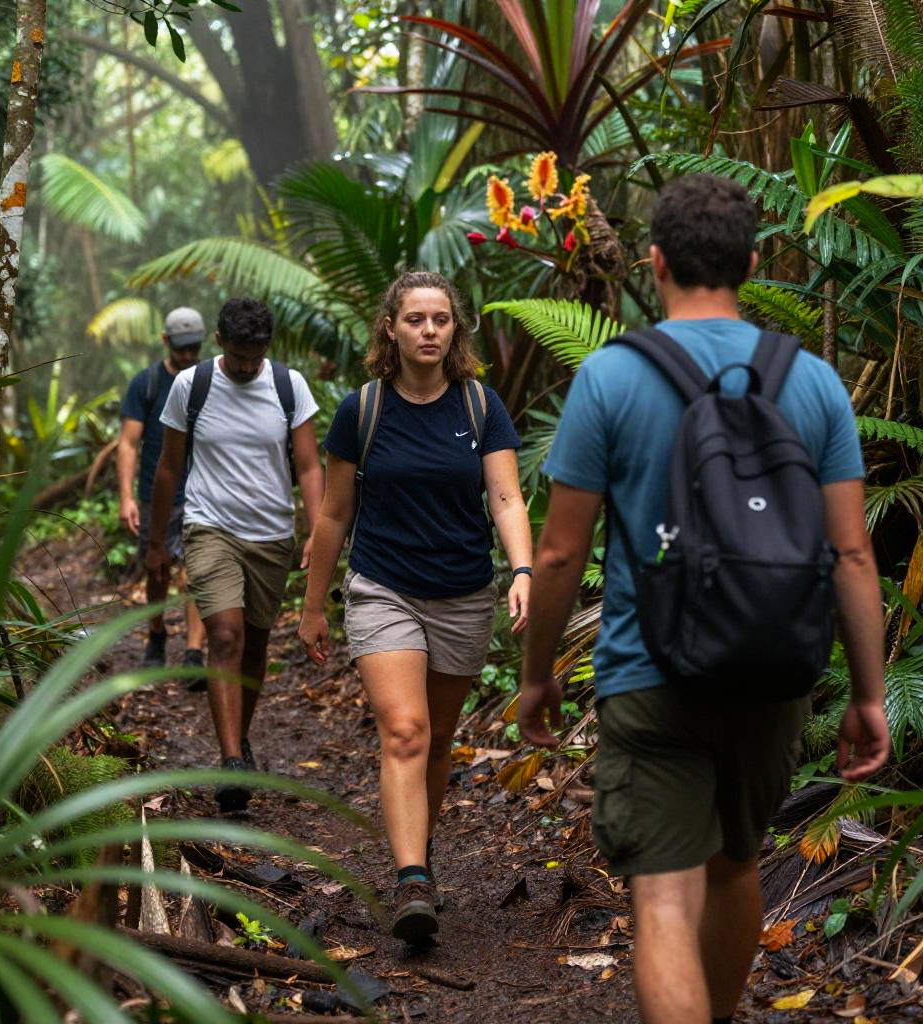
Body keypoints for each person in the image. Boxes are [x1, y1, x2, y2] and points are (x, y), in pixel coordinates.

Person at [517, 174, 890, 1024]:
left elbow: (561, 550)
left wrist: (536, 676)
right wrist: (868, 694)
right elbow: (851, 552)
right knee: (737, 863)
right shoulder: (813, 382)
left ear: (655, 262)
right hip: (771, 670)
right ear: (752, 263)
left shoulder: (612, 377)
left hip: (648, 670)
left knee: (661, 897)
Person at [298, 270, 533, 945]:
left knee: (436, 741)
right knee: (405, 732)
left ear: (454, 329)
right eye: (415, 320)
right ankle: (411, 880)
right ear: (391, 329)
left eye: (440, 320)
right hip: (384, 589)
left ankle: (418, 851)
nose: (429, 331)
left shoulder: (480, 406)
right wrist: (313, 607)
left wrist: (522, 568)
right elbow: (333, 513)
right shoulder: (363, 409)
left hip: (463, 594)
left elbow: (506, 498)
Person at [147, 297, 324, 814]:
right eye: (239, 355)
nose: (247, 366)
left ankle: (239, 740)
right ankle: (229, 762)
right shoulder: (192, 385)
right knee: (225, 635)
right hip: (210, 527)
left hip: (271, 535)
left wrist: (317, 530)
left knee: (253, 646)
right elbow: (169, 466)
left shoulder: (289, 386)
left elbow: (309, 466)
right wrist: (157, 542)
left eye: (256, 355)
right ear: (220, 341)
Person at [118, 306, 207, 678]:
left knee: (197, 572)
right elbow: (128, 444)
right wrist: (126, 497)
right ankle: (156, 634)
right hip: (158, 495)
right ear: (166, 341)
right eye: (181, 347)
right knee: (157, 570)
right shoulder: (147, 383)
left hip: (203, 492)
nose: (188, 354)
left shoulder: (209, 380)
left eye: (194, 347)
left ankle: (193, 652)